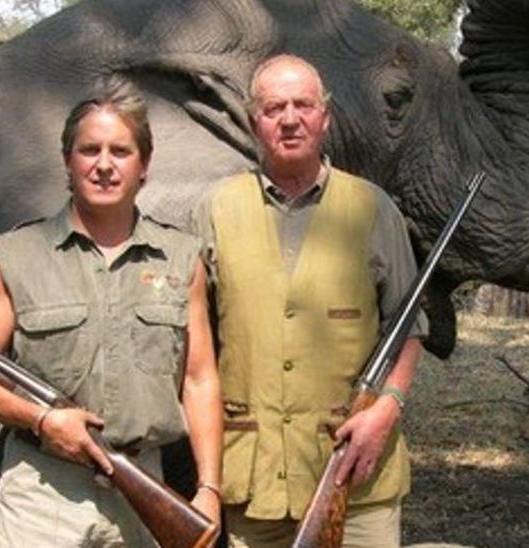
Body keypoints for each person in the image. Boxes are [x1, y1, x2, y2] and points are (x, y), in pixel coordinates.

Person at [0, 83, 222, 547]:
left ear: (144, 166)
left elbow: (200, 381)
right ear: (68, 161)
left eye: (120, 151)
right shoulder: (15, 256)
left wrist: (209, 488)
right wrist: (41, 420)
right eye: (89, 150)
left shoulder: (182, 257)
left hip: (146, 489)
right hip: (43, 493)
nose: (103, 165)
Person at [191, 54, 426, 548]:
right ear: (255, 121)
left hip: (357, 479)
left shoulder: (373, 208)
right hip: (254, 481)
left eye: (304, 105)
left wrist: (388, 407)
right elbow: (194, 348)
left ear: (326, 116)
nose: (290, 119)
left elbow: (410, 327)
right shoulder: (214, 209)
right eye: (275, 108)